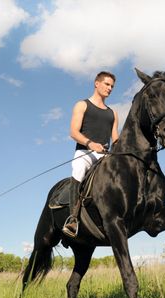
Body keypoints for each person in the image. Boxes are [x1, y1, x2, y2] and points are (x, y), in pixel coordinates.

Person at [50, 71, 119, 237]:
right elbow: (73, 132)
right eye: (107, 84)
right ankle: (73, 219)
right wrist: (91, 144)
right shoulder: (82, 105)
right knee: (79, 169)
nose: (110, 88)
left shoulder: (113, 113)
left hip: (105, 155)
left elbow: (115, 137)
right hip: (85, 153)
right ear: (97, 83)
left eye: (112, 86)